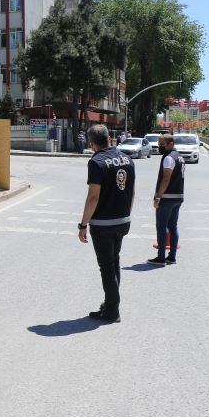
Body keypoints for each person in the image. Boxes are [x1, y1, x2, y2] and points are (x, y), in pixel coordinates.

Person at [78, 124, 136, 323]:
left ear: (92, 143)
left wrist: (83, 224)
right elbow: (132, 191)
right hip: (123, 220)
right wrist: (126, 214)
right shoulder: (127, 158)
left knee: (107, 268)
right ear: (109, 138)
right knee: (114, 262)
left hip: (103, 224)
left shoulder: (96, 162)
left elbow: (93, 197)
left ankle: (112, 311)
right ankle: (110, 304)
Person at [147, 133, 185, 266]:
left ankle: (161, 258)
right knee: (173, 227)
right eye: (159, 144)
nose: (159, 147)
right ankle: (172, 257)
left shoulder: (169, 158)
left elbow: (166, 178)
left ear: (171, 144)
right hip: (178, 197)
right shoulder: (179, 157)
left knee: (161, 227)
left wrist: (158, 196)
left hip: (167, 198)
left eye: (162, 144)